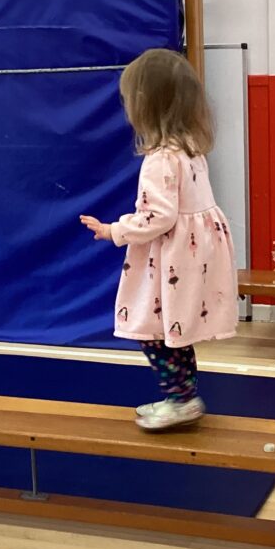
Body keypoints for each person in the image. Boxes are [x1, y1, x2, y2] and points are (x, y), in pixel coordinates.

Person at [81, 49, 237, 431]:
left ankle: (181, 399)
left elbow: (159, 216)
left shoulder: (160, 159)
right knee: (174, 332)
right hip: (191, 256)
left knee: (152, 332)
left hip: (173, 261)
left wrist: (114, 230)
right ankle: (183, 397)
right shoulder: (191, 150)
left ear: (144, 105)